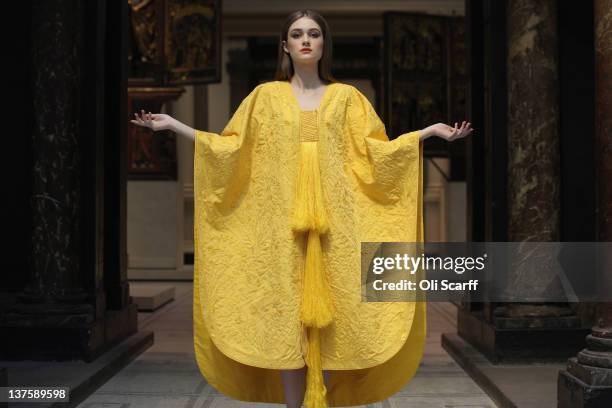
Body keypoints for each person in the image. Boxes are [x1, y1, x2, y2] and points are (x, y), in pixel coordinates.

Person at [132, 9, 472, 408]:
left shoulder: (347, 98)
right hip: (281, 229)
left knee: (333, 318)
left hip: (334, 228)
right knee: (285, 322)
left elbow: (376, 154)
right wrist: (174, 125)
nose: (306, 40)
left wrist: (425, 132)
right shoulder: (264, 97)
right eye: (297, 34)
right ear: (285, 46)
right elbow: (231, 147)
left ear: (324, 44)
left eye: (314, 33)